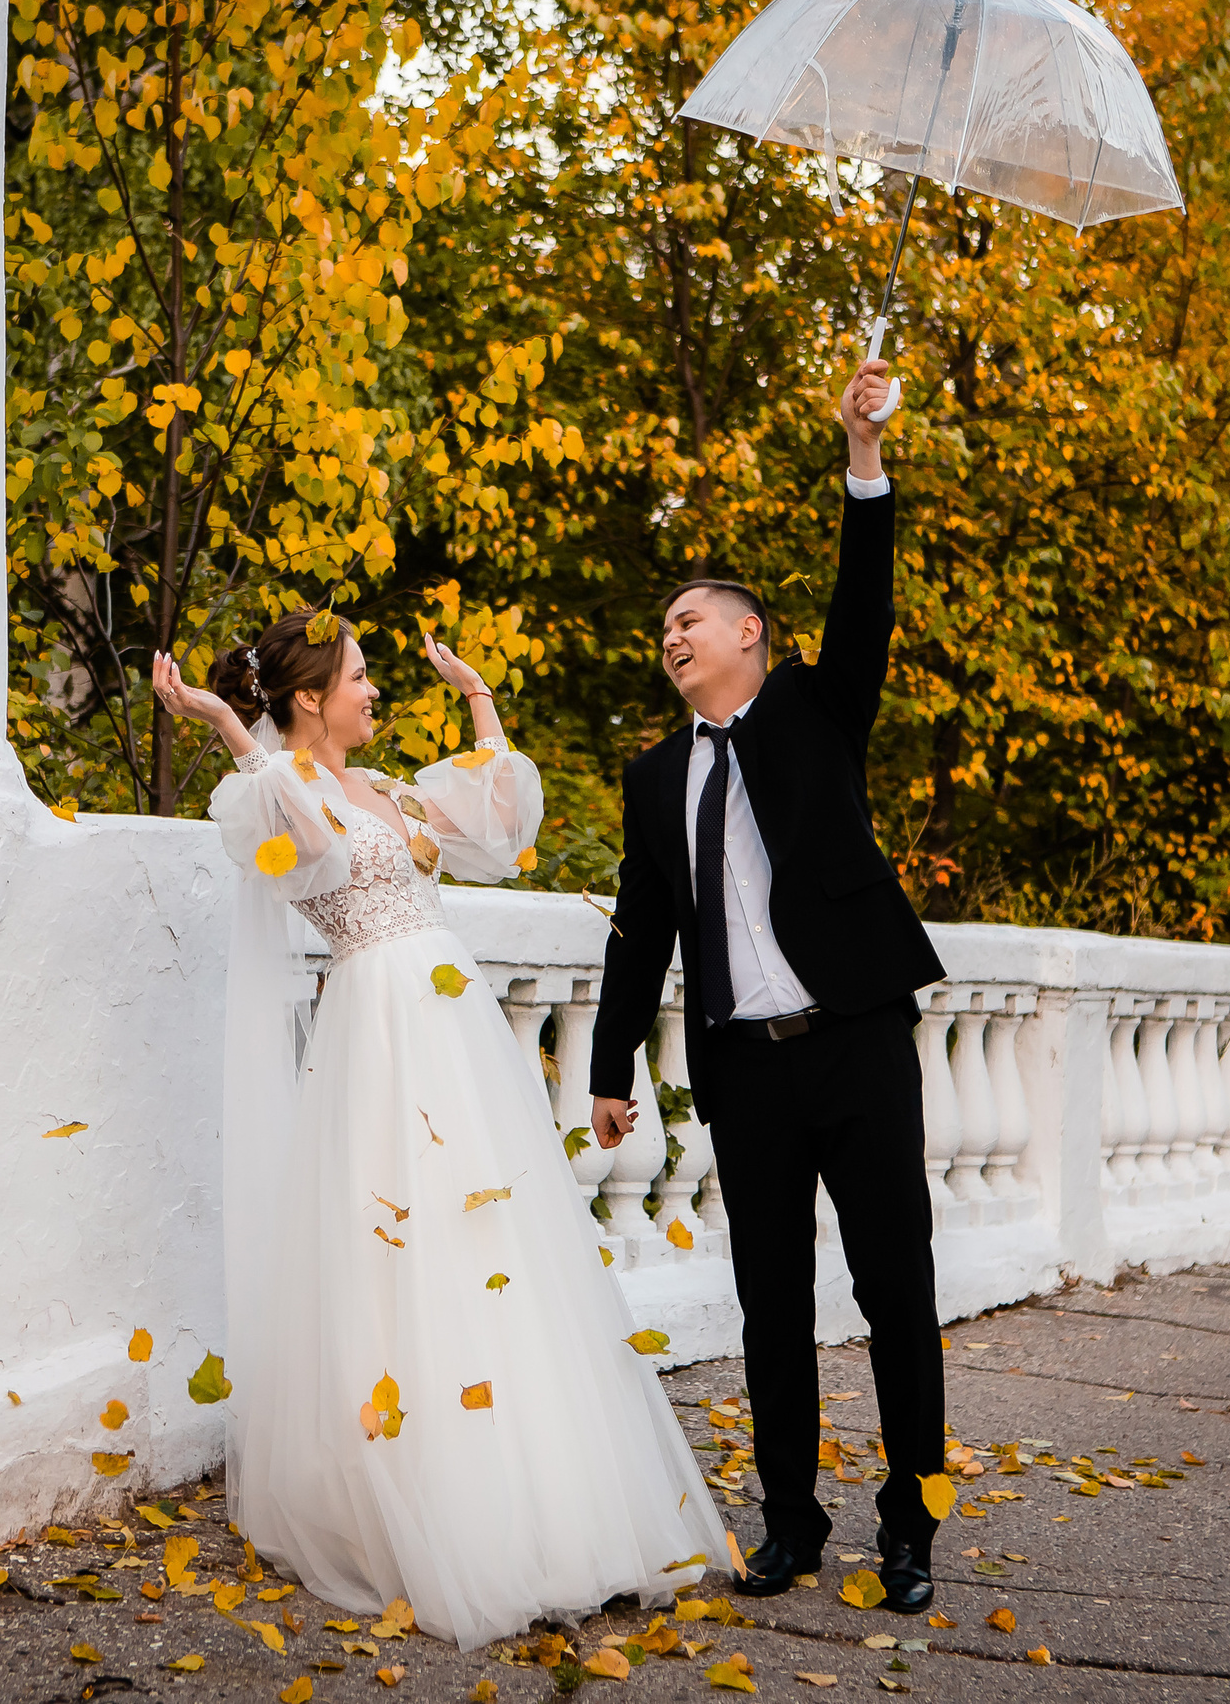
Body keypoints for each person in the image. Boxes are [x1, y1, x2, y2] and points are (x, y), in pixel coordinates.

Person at [152, 621, 726, 1652]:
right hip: (379, 1029)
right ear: (312, 697)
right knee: (400, 1243)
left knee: (495, 1241)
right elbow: (306, 842)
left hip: (451, 1022)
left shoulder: (389, 790)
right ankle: (434, 1504)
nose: (375, 691)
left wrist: (477, 701)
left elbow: (498, 827)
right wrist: (232, 727)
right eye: (359, 677)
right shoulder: (283, 794)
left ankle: (545, 1497)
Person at [587, 355, 948, 1611]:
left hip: (852, 1034)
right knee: (769, 1302)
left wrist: (861, 457)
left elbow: (864, 604)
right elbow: (640, 928)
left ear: (750, 634)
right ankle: (789, 1522)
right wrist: (609, 1065)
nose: (672, 637)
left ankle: (912, 1522)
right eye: (664, 629)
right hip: (743, 1065)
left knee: (896, 1279)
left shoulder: (815, 707)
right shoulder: (652, 779)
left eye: (693, 619)